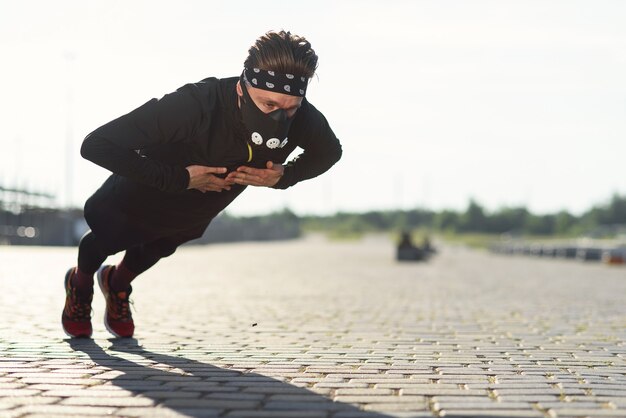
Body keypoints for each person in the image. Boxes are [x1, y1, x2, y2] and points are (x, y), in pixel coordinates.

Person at [62, 30, 342, 338]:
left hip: (196, 210)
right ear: (242, 88)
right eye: (267, 105)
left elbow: (329, 152)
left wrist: (285, 176)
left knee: (159, 247)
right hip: (141, 194)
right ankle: (80, 283)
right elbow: (96, 145)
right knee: (105, 239)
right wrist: (180, 178)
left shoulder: (303, 118)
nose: (280, 117)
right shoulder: (195, 105)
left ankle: (116, 284)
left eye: (290, 108)